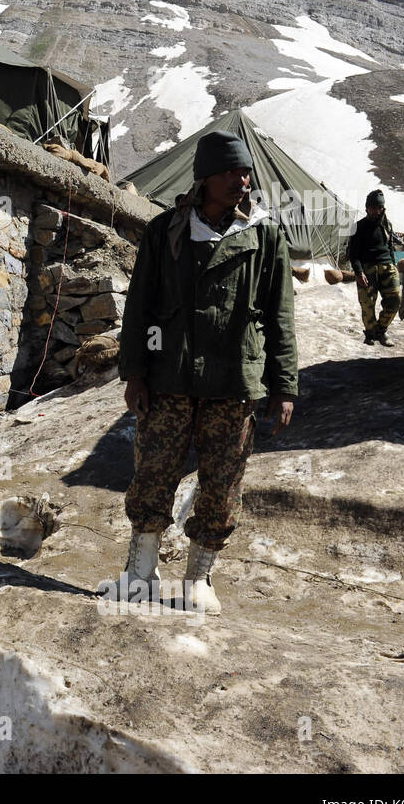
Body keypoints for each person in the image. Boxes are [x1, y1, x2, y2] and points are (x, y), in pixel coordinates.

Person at [104, 130, 299, 615]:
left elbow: (279, 316)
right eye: (232, 171)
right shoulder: (167, 230)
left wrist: (284, 385)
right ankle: (140, 574)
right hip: (170, 378)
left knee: (222, 481)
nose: (243, 180)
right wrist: (135, 373)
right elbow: (141, 306)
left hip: (234, 383)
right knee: (153, 473)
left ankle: (197, 580)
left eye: (246, 171)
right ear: (205, 178)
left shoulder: (264, 234)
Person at [349, 189, 401, 347]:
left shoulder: (387, 225)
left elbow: (391, 247)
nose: (375, 210)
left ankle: (381, 330)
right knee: (367, 303)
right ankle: (370, 334)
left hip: (387, 267)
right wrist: (358, 272)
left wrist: (393, 264)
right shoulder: (357, 227)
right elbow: (353, 253)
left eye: (378, 207)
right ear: (366, 208)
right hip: (367, 268)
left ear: (382, 209)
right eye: (372, 207)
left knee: (395, 300)